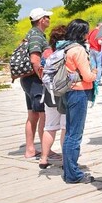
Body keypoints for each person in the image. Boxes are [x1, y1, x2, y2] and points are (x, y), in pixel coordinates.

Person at [61, 19, 97, 184]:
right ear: (82, 33)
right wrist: (95, 72)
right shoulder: (78, 50)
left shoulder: (64, 47)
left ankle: (68, 169)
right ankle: (73, 174)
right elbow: (88, 76)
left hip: (68, 91)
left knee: (69, 132)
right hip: (79, 92)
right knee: (75, 134)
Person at [20, 7, 52, 159]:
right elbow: (35, 59)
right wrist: (43, 78)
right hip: (35, 80)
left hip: (28, 79)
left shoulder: (31, 34)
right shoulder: (37, 36)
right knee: (43, 114)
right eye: (47, 17)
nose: (49, 20)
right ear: (41, 20)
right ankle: (46, 150)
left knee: (33, 115)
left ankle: (30, 149)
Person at [38, 25, 67, 169]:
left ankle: (44, 158)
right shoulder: (66, 54)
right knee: (65, 128)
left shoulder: (48, 55)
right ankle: (64, 160)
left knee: (49, 127)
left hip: (49, 94)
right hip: (63, 94)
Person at [87, 22, 102, 86]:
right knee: (99, 66)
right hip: (98, 50)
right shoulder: (99, 32)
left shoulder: (92, 31)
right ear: (100, 26)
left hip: (91, 49)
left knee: (93, 65)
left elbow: (88, 40)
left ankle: (93, 79)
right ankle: (97, 80)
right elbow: (99, 42)